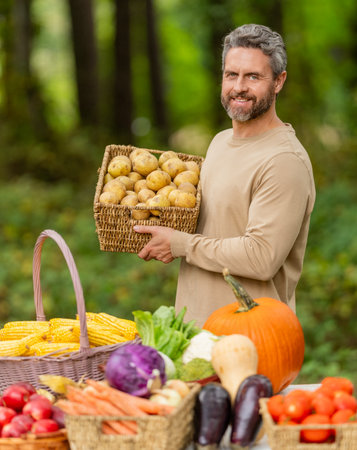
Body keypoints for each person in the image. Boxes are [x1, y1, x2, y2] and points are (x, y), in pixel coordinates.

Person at [133, 24, 316, 328]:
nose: (239, 87)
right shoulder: (219, 142)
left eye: (253, 76)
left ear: (278, 81)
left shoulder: (284, 161)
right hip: (194, 334)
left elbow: (261, 257)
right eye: (232, 75)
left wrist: (180, 244)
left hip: (254, 339)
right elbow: (207, 227)